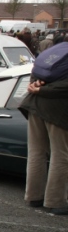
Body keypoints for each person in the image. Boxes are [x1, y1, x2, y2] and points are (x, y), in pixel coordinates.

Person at [18, 75, 68, 215]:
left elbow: (36, 74)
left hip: (34, 105)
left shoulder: (53, 53)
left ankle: (34, 197)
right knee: (61, 155)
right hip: (59, 109)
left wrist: (36, 85)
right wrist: (42, 90)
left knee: (36, 152)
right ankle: (56, 202)